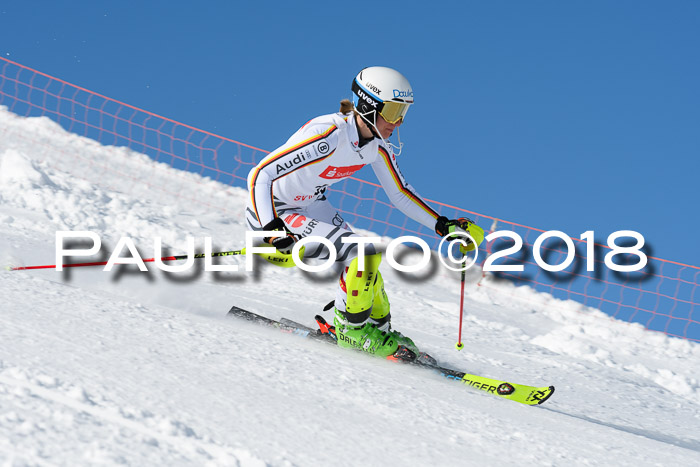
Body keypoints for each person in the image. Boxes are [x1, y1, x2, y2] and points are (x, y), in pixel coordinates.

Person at [246, 66, 484, 359]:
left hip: (309, 205)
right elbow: (260, 175)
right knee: (363, 253)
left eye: (403, 113)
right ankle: (351, 332)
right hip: (274, 214)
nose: (397, 122)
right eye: (393, 111)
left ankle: (377, 329)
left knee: (368, 266)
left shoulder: (376, 147)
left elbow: (400, 193)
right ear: (370, 105)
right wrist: (271, 228)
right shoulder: (329, 134)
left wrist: (443, 226)